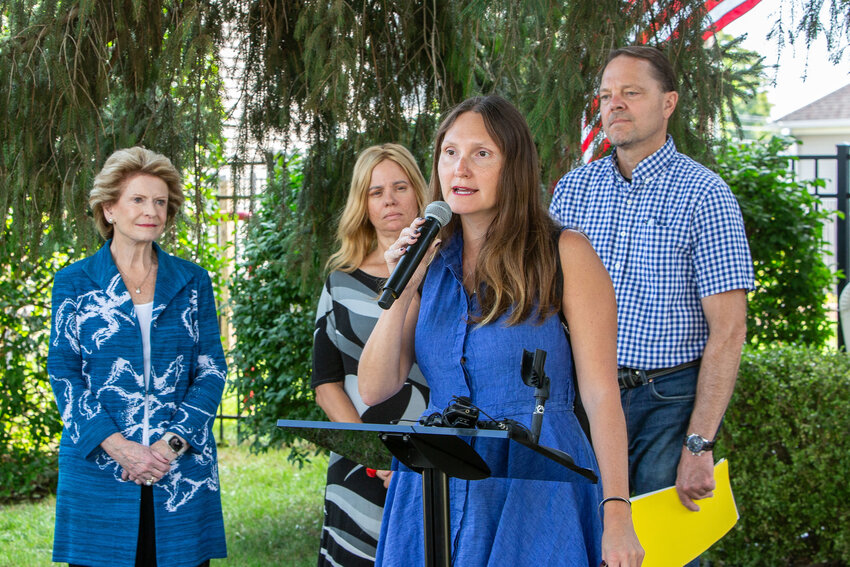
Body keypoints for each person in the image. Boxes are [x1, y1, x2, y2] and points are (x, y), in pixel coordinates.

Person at [358, 96, 643, 566]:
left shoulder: (564, 252)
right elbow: (375, 387)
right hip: (436, 481)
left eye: (481, 153)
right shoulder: (428, 260)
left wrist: (617, 512)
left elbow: (600, 393)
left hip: (536, 480)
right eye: (449, 153)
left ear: (514, 165)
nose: (460, 169)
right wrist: (405, 286)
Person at [549, 46, 754, 528]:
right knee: (584, 539)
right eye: (605, 95)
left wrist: (698, 443)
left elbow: (729, 330)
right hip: (583, 397)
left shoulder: (705, 195)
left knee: (660, 547)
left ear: (669, 103)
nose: (613, 104)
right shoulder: (572, 191)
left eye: (631, 92)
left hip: (667, 403)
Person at [48, 147, 227, 567]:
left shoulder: (193, 281)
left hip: (179, 471)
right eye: (139, 200)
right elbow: (63, 372)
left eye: (161, 201)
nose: (152, 211)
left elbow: (212, 370)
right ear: (109, 209)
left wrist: (168, 447)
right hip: (98, 467)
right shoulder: (73, 282)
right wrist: (119, 447)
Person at [312, 144, 431, 566]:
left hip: (434, 460)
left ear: (418, 193)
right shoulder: (339, 283)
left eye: (400, 187)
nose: (389, 200)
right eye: (375, 191)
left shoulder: (449, 273)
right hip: (358, 463)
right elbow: (324, 383)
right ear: (363, 204)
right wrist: (372, 453)